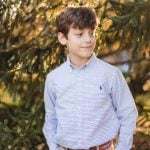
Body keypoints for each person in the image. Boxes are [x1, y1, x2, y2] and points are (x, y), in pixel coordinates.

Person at [43, 7, 138, 150]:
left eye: (91, 33)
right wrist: (53, 147)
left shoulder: (111, 75)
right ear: (63, 38)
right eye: (80, 34)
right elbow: (51, 119)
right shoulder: (54, 79)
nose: (88, 39)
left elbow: (128, 114)